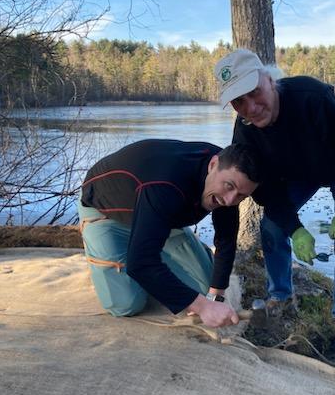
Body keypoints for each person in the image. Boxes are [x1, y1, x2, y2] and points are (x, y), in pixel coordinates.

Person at [214, 49, 335, 350]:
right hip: (299, 174)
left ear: (268, 78)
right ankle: (280, 297)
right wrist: (295, 228)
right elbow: (263, 187)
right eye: (238, 101)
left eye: (253, 92)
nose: (250, 107)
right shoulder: (246, 131)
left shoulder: (313, 96)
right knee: (273, 226)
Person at [78, 139, 261, 328]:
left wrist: (216, 297)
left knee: (204, 288)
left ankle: (152, 251)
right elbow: (139, 264)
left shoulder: (231, 172)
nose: (230, 200)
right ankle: (114, 254)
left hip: (160, 216)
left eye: (241, 196)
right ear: (213, 165)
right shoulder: (165, 184)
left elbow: (225, 239)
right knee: (127, 304)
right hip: (106, 213)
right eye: (229, 187)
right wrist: (203, 308)